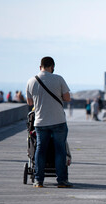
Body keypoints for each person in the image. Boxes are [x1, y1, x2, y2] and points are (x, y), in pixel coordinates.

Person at [26, 56, 73, 188]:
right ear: (52, 67)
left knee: (40, 150)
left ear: (40, 67)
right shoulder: (58, 79)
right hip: (58, 120)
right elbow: (67, 98)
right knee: (60, 150)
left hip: (40, 122)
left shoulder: (31, 81)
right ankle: (62, 181)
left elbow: (29, 102)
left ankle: (38, 181)